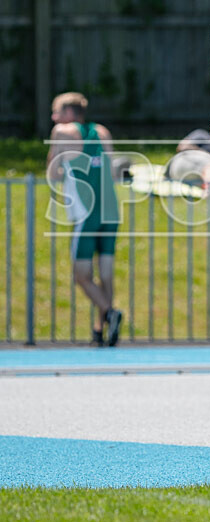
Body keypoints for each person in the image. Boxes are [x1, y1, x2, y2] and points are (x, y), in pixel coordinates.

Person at [46, 92, 123, 347]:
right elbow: (112, 171)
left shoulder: (61, 131)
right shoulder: (102, 131)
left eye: (56, 112)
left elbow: (53, 172)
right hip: (109, 208)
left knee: (81, 274)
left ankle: (110, 313)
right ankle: (102, 329)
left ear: (68, 114)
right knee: (106, 274)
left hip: (86, 211)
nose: (53, 118)